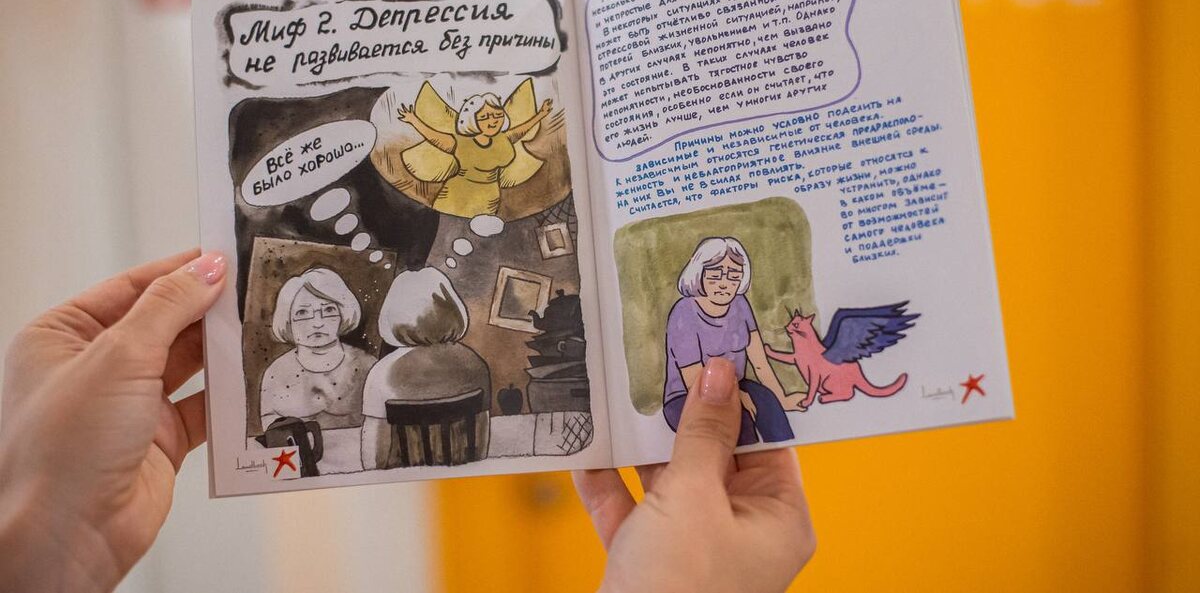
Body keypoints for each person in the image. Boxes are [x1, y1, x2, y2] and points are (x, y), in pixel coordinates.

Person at [0, 250, 815, 591]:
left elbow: (380, 441)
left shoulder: (382, 371)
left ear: (386, 318)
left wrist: (55, 528)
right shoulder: (470, 365)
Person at [663, 237, 805, 446]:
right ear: (699, 273)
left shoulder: (740, 303)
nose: (724, 284)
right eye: (715, 275)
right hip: (688, 396)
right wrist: (735, 397)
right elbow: (693, 379)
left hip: (735, 384)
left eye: (734, 276)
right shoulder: (683, 313)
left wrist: (782, 399)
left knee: (768, 404)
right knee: (740, 422)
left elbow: (759, 362)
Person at [360, 266, 491, 469]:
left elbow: (373, 457)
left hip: (404, 481)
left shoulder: (381, 373)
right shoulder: (476, 364)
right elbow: (481, 445)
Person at [397, 79, 553, 218]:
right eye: (484, 117)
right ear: (472, 120)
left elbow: (522, 130)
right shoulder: (460, 142)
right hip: (456, 196)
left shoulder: (504, 138)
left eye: (497, 115)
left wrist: (541, 114)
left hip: (490, 197)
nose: (493, 121)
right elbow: (434, 137)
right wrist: (413, 120)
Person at [259, 266, 376, 431]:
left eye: (328, 310)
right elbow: (272, 431)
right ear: (287, 320)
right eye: (302, 312)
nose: (317, 323)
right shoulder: (276, 373)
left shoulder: (368, 367)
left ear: (343, 313)